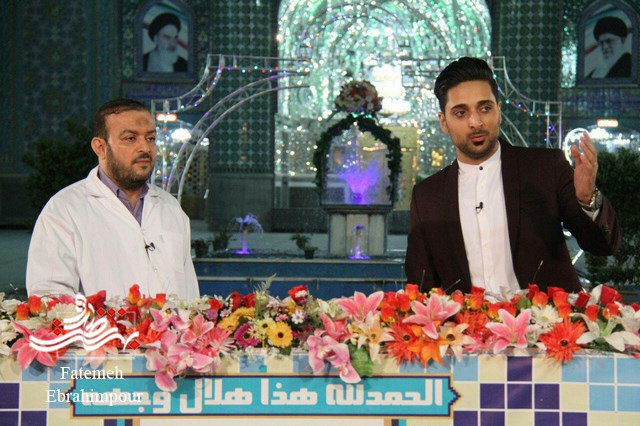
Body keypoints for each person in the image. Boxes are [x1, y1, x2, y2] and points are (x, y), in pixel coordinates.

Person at [405, 57, 621, 295]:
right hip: (466, 320)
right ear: (444, 122)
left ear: (499, 110)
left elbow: (603, 246)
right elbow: (421, 287)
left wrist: (587, 198)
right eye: (460, 113)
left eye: (485, 108)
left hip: (546, 317)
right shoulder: (427, 196)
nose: (475, 122)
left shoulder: (545, 168)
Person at [27, 99, 200, 299]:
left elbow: (189, 293)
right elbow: (49, 295)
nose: (145, 148)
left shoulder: (170, 207)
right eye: (130, 138)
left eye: (150, 138)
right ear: (100, 147)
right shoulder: (65, 210)